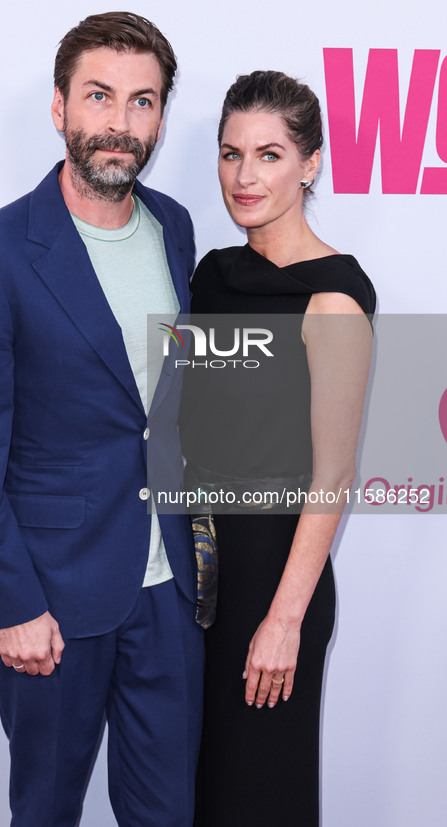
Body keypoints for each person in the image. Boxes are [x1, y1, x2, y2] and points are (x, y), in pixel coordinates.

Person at [0, 12, 203, 826]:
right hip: (50, 600)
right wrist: (9, 601)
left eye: (142, 101)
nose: (119, 124)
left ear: (160, 115)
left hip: (170, 595)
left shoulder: (176, 229)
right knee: (46, 811)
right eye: (99, 97)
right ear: (60, 109)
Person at [178, 71, 376, 825]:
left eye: (268, 154)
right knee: (198, 796)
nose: (244, 176)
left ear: (310, 163)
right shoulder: (212, 274)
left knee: (258, 796)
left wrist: (283, 617)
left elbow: (333, 474)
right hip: (196, 580)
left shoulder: (332, 295)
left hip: (274, 581)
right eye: (230, 155)